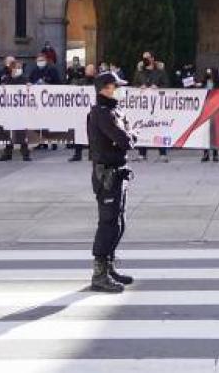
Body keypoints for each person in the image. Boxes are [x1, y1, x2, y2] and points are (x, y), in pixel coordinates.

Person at [86, 71, 135, 293]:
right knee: (107, 224)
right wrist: (129, 136)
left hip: (117, 172)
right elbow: (124, 139)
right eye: (116, 86)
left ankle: (109, 266)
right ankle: (99, 274)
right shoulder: (102, 113)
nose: (119, 90)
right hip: (106, 174)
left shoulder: (112, 111)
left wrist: (128, 136)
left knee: (118, 223)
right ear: (105, 88)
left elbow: (125, 138)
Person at [133, 52, 169, 163]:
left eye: (147, 58)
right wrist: (140, 87)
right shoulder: (139, 72)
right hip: (143, 107)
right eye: (144, 58)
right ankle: (142, 153)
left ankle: (162, 153)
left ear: (153, 59)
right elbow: (134, 85)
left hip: (157, 106)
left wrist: (157, 87)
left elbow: (167, 84)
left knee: (159, 128)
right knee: (142, 128)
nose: (145, 60)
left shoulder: (160, 72)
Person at [0, 59, 32, 162]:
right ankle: (8, 152)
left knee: (22, 132)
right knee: (9, 132)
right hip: (9, 110)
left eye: (20, 68)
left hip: (21, 111)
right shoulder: (6, 79)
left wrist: (30, 87)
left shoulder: (25, 79)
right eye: (17, 67)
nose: (19, 69)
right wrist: (2, 87)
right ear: (11, 69)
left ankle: (25, 153)